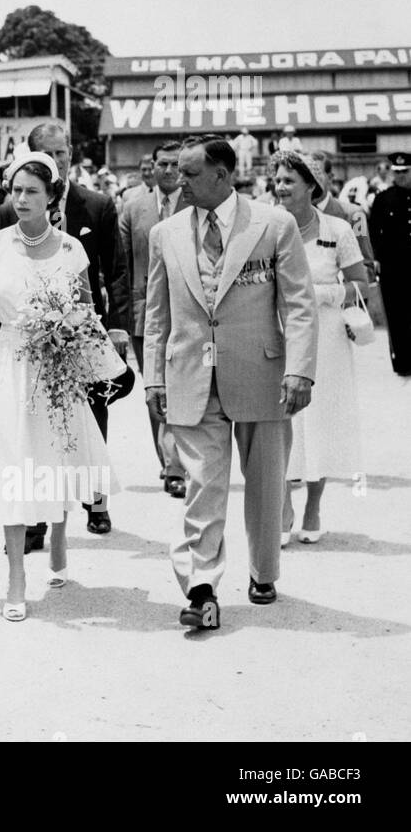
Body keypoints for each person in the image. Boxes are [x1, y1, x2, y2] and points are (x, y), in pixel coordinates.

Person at [0, 151, 127, 622]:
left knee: (55, 455)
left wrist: (91, 355)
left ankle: (60, 536)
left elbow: (86, 313)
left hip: (58, 366)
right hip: (8, 367)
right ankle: (16, 578)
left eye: (31, 192)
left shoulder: (72, 250)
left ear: (52, 198)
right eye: (15, 190)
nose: (20, 199)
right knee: (12, 463)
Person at [144, 133, 317, 631]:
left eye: (191, 173)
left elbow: (299, 304)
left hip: (262, 374)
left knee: (265, 483)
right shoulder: (167, 233)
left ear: (222, 175)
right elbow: (156, 315)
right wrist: (154, 375)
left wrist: (300, 369)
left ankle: (264, 572)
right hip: (191, 377)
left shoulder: (274, 224)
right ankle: (201, 589)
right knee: (202, 485)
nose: (180, 181)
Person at [0, 122, 129, 536]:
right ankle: (38, 516)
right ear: (33, 158)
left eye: (65, 152)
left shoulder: (99, 205)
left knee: (93, 409)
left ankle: (94, 499)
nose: (59, 160)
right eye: (49, 153)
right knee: (37, 420)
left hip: (86, 327)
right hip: (34, 333)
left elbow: (117, 272)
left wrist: (120, 328)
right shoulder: (11, 209)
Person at [271, 152, 367, 545]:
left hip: (327, 339)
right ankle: (282, 508)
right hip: (279, 334)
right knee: (279, 422)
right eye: (277, 180)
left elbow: (362, 285)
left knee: (321, 422)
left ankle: (313, 508)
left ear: (312, 185)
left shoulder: (338, 229)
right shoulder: (268, 226)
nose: (280, 187)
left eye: (289, 181)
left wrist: (318, 293)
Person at [119, 141, 187, 498]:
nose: (169, 171)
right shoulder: (133, 209)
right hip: (145, 312)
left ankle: (181, 462)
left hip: (188, 313)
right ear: (153, 166)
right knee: (155, 388)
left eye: (176, 164)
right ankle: (168, 462)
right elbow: (123, 265)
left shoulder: (196, 203)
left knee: (184, 385)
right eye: (162, 164)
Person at [369, 151, 411, 377]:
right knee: (397, 316)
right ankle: (403, 361)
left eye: (405, 172)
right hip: (393, 267)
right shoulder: (383, 198)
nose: (401, 176)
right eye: (398, 172)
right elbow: (372, 231)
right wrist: (374, 257)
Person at [310, 150, 375, 279]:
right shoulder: (293, 216)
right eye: (307, 176)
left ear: (330, 178)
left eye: (317, 174)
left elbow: (367, 267)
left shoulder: (355, 215)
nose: (312, 181)